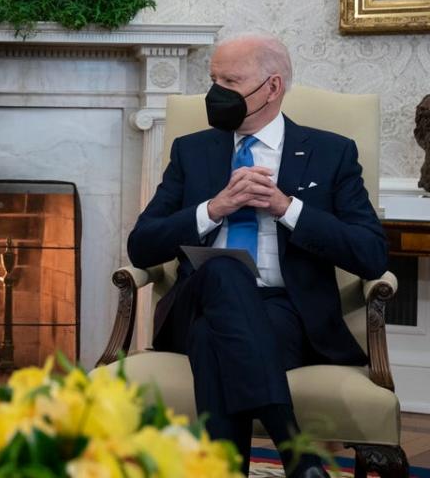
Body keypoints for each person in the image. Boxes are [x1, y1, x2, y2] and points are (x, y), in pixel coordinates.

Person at [127, 33, 387, 478]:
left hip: (286, 312)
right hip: (196, 302)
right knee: (225, 270)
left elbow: (370, 253)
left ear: (272, 87)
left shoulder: (331, 152)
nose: (216, 93)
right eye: (213, 79)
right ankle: (296, 451)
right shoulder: (192, 151)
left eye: (231, 80)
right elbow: (142, 244)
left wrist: (288, 209)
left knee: (217, 339)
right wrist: (214, 209)